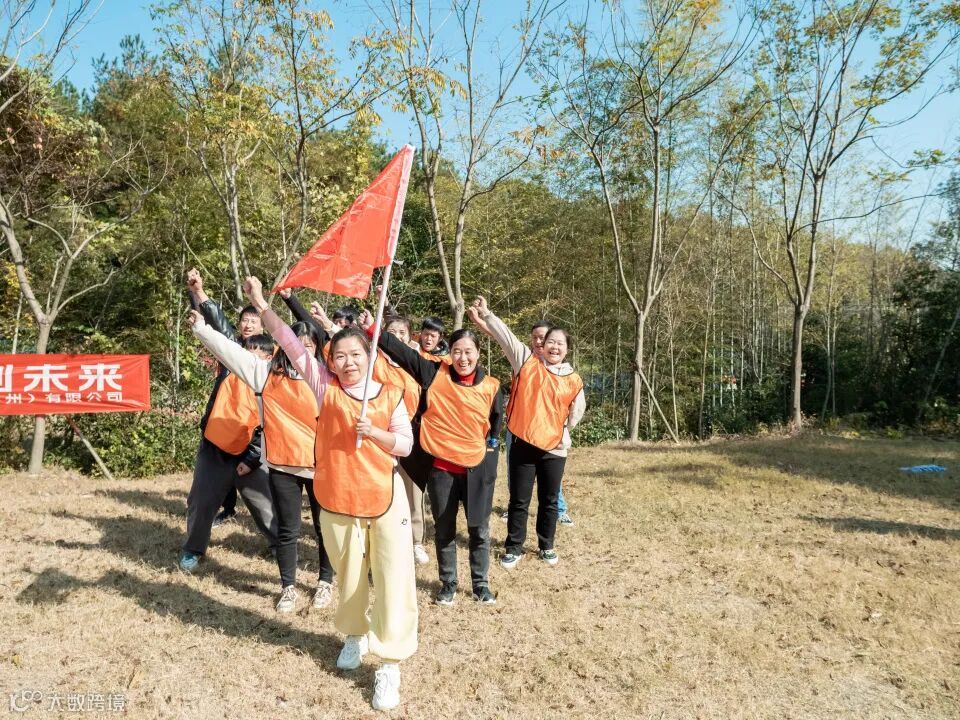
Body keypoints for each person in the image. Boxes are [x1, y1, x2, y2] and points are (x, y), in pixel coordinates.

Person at [248, 276, 417, 713]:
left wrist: (375, 432)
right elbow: (290, 344)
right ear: (331, 361)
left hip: (384, 496)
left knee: (393, 575)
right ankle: (355, 634)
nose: (347, 362)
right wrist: (262, 305)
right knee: (349, 572)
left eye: (355, 354)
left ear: (369, 355)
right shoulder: (325, 387)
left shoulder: (390, 394)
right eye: (339, 356)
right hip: (338, 497)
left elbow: (406, 444)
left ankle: (390, 662)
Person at [188, 307, 335, 614]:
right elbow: (229, 351)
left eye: (309, 346)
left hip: (320, 466)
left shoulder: (325, 379)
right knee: (287, 530)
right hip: (282, 464)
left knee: (324, 527)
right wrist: (202, 328)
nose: (302, 352)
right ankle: (288, 587)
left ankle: (325, 581)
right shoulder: (267, 374)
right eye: (296, 344)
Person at [361, 310, 502, 605]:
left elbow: (496, 424)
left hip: (475, 468)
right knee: (444, 528)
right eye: (457, 351)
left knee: (479, 529)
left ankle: (481, 584)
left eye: (469, 351)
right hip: (441, 468)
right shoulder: (433, 372)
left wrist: (489, 455)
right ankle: (448, 583)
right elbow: (402, 354)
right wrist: (374, 329)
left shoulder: (491, 386)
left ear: (478, 353)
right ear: (449, 352)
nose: (463, 358)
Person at [468, 296, 585, 569]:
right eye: (550, 342)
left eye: (560, 343)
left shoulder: (573, 379)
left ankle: (546, 546)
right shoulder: (526, 362)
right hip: (522, 442)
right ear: (542, 345)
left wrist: (560, 431)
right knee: (519, 500)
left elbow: (576, 412)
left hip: (554, 448)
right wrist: (487, 314)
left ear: (567, 349)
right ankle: (513, 547)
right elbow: (505, 337)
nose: (554, 347)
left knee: (549, 499)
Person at [179, 269, 277, 572]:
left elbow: (269, 425)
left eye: (260, 353)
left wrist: (251, 458)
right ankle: (193, 549)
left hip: (251, 451)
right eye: (248, 351)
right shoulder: (232, 361)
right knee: (201, 501)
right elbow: (217, 327)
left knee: (266, 505)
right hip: (216, 444)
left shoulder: (274, 374)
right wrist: (198, 292)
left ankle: (281, 546)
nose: (252, 356)